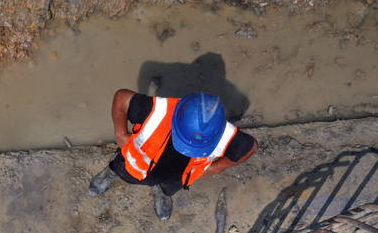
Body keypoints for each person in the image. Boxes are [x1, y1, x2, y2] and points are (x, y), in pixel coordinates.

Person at [88, 91, 258, 221]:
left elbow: (250, 147)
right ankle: (111, 173)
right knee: (121, 167)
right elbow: (121, 98)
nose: (187, 150)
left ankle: (162, 193)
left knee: (169, 187)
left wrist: (218, 167)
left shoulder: (224, 134)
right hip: (136, 162)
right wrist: (120, 133)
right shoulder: (157, 110)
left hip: (179, 176)